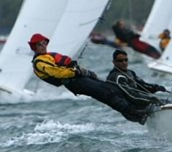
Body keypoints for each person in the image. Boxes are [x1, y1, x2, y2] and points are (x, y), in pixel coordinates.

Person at [28, 33, 161, 124]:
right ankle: (137, 113)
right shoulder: (40, 62)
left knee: (111, 89)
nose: (44, 45)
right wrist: (77, 72)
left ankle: (137, 113)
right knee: (107, 93)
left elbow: (68, 68)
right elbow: (57, 73)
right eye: (41, 44)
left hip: (78, 79)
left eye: (45, 42)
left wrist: (85, 72)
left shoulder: (47, 56)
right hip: (74, 82)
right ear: (35, 47)